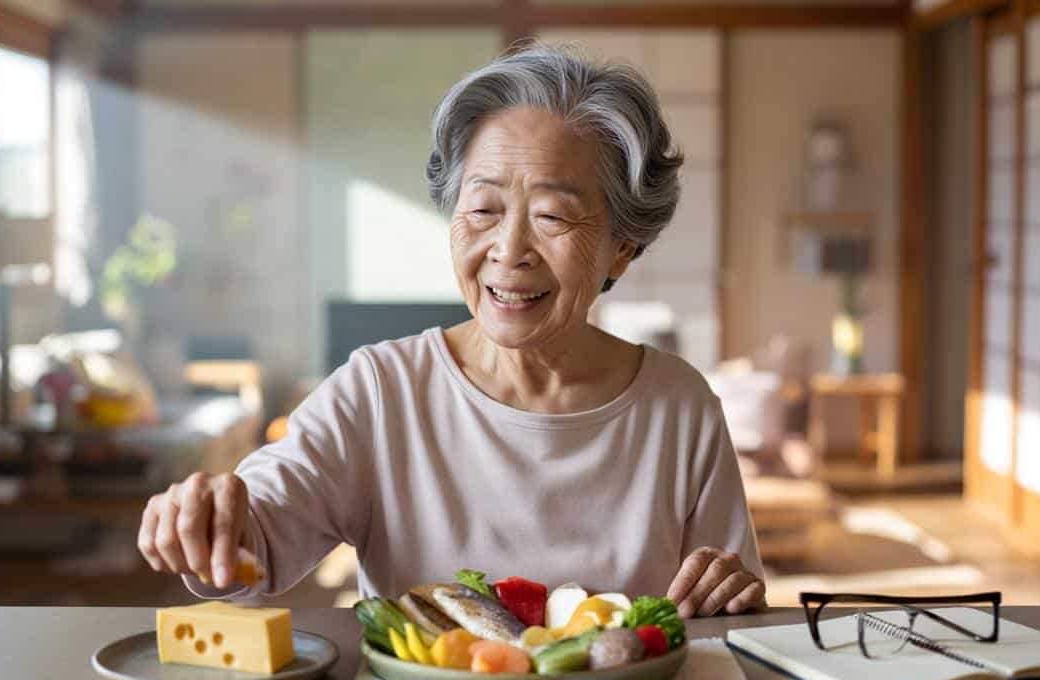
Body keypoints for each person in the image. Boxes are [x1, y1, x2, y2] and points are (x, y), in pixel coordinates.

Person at [137, 43, 766, 618]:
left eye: (552, 216)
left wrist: (730, 593)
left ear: (622, 247)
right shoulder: (381, 390)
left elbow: (718, 614)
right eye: (484, 209)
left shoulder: (679, 406)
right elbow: (256, 546)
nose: (509, 250)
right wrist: (211, 525)